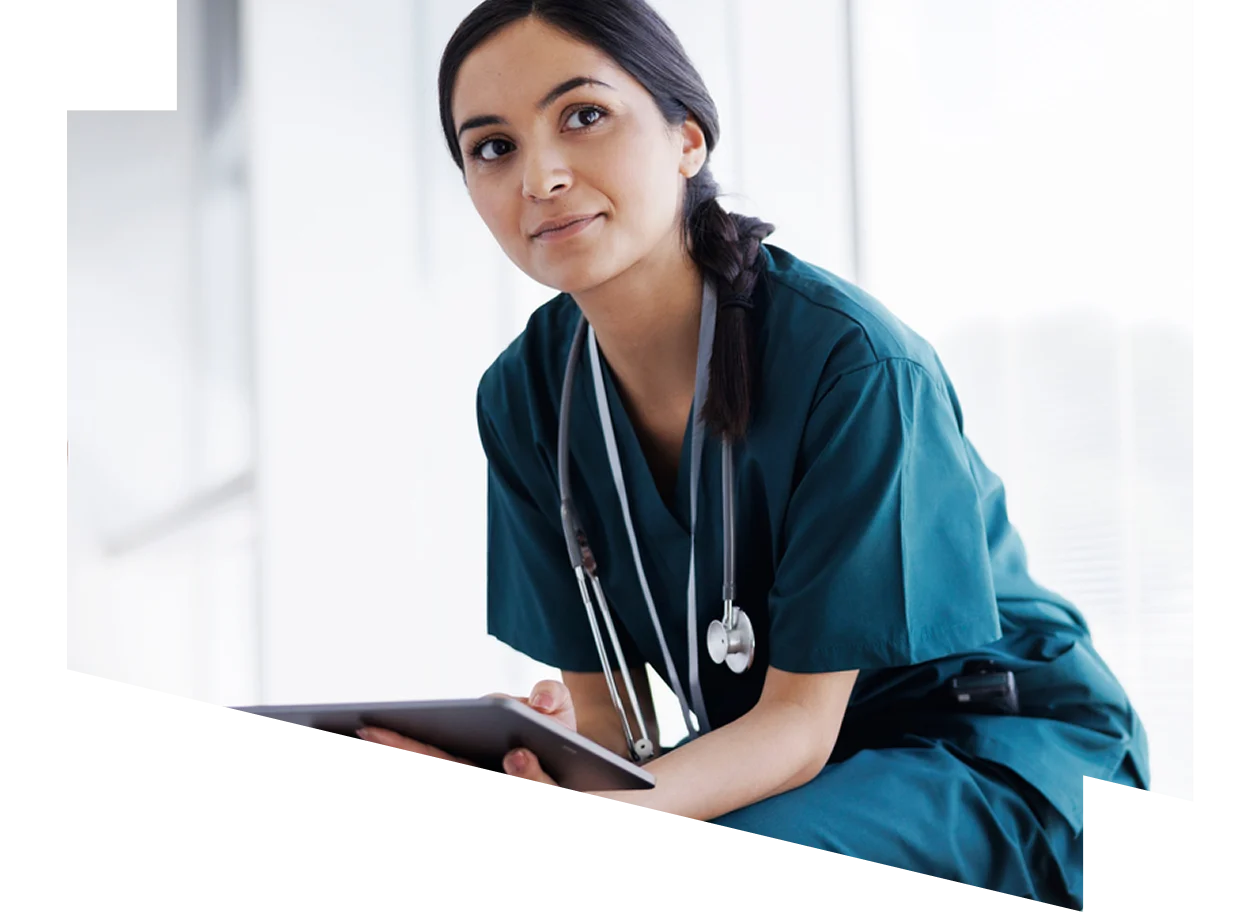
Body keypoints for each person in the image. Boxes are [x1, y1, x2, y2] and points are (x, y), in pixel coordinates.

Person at [356, 1, 1149, 906]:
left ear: (687, 138)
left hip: (992, 750)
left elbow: (797, 732)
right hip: (768, 770)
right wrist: (522, 757)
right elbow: (610, 720)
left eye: (582, 116)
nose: (539, 176)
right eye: (492, 146)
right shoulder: (526, 396)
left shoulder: (852, 364)